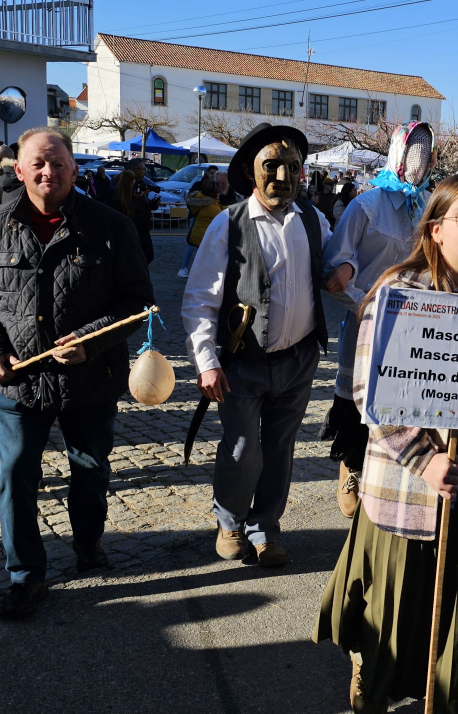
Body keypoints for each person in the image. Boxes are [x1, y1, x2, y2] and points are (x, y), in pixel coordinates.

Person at [315, 173, 458, 714]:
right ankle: (370, 682)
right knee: (397, 618)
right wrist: (424, 460)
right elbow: (369, 390)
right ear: (434, 229)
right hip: (409, 488)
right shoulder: (399, 294)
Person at [0, 127, 155, 620]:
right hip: (17, 382)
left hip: (90, 380)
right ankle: (26, 577)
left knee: (90, 470)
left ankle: (88, 544)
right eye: (38, 164)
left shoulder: (112, 226)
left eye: (57, 162)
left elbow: (137, 301)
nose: (48, 172)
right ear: (19, 170)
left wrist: (92, 339)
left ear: (73, 168)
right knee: (13, 473)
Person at [181, 122, 331, 568]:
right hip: (243, 363)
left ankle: (265, 527)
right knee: (244, 448)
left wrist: (344, 267)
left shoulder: (313, 219)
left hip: (299, 358)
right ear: (251, 171)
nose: (283, 177)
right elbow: (199, 299)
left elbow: (342, 259)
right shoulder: (228, 224)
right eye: (272, 166)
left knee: (281, 449)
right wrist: (206, 362)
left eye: (293, 167)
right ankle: (229, 520)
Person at [322, 121, 437, 519]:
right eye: (413, 153)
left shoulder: (425, 207)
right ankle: (352, 466)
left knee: (400, 400)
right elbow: (337, 261)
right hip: (366, 316)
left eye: (426, 153)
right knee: (358, 397)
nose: (419, 163)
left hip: (412, 324)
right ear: (398, 154)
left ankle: (391, 468)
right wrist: (361, 299)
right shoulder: (366, 206)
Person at [107, 169, 154, 264]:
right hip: (129, 239)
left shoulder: (126, 200)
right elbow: (137, 218)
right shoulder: (118, 202)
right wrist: (141, 200)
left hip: (134, 237)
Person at [187, 179, 223, 250]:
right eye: (218, 192)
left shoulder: (200, 200)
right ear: (213, 193)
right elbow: (222, 219)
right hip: (205, 238)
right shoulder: (211, 206)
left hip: (198, 235)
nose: (220, 193)